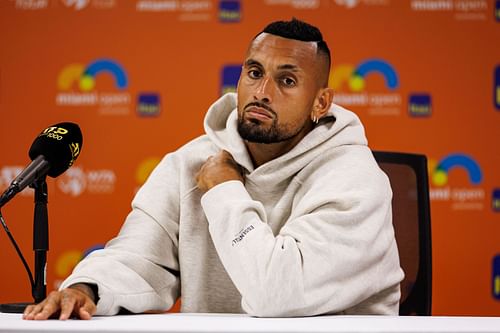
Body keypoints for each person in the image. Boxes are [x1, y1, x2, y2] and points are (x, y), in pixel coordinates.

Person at [23, 18, 404, 321]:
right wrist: (86, 290)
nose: (262, 92)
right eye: (254, 73)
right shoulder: (190, 163)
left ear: (321, 102)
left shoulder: (354, 179)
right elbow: (138, 257)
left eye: (287, 80)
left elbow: (278, 293)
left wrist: (225, 191)